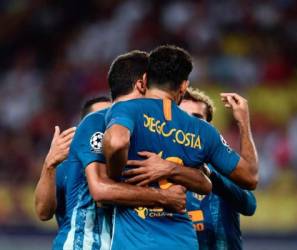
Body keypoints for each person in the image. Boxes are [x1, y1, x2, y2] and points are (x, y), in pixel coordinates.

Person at [103, 45, 258, 250]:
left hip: (137, 241)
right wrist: (243, 123)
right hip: (182, 241)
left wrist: (114, 173)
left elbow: (116, 142)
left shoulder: (126, 110)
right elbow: (250, 176)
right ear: (184, 86)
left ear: (145, 79)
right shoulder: (202, 131)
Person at [50, 50, 188, 250]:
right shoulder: (99, 121)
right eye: (155, 83)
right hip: (88, 244)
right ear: (143, 82)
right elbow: (100, 190)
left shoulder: (142, 128)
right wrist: (165, 197)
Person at [182, 88, 257, 249]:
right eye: (182, 116)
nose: (189, 123)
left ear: (208, 128)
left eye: (197, 118)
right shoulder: (159, 166)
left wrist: (212, 177)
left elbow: (249, 205)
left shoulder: (223, 166)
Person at [34, 96, 111, 238]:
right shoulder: (66, 165)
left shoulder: (128, 163)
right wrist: (49, 165)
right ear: (85, 127)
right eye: (99, 120)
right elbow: (43, 213)